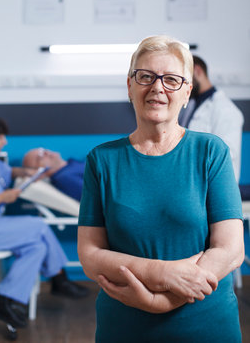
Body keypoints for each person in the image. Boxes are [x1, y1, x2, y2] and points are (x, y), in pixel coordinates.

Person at [77, 35, 244, 343]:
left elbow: (230, 249)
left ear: (187, 92)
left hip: (206, 325)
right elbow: (89, 254)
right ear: (129, 86)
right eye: (145, 76)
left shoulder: (210, 151)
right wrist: (162, 273)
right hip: (125, 328)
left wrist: (162, 301)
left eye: (171, 80)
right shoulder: (102, 160)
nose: (157, 88)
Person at [0, 115, 88, 329]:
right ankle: (59, 278)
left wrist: (26, 172)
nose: (5, 141)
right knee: (38, 225)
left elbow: (9, 172)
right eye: (0, 137)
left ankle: (4, 300)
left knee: (36, 248)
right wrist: (3, 197)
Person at [179, 55, 244, 182]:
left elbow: (227, 155)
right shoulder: (190, 105)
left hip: (214, 185)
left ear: (197, 71)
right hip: (191, 181)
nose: (182, 84)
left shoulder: (226, 109)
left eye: (185, 78)